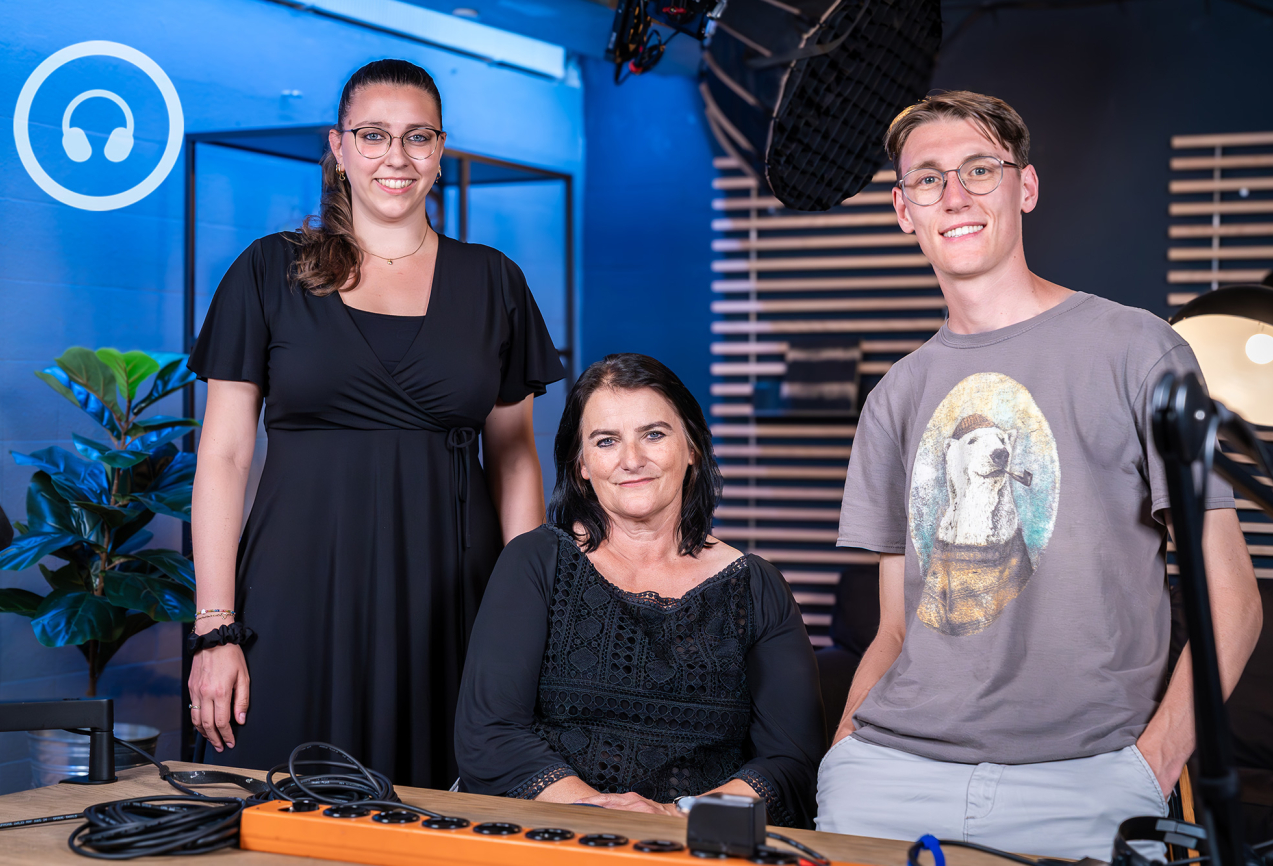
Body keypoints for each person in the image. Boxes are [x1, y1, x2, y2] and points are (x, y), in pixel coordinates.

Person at [814, 91, 1262, 857]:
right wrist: (845, 749)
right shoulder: (895, 397)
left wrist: (1151, 766)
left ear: (1025, 187)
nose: (954, 195)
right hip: (886, 779)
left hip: (1088, 784)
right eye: (928, 179)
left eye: (979, 169)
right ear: (902, 209)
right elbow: (894, 624)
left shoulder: (1138, 351)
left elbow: (1234, 602)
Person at [185, 59, 564, 788]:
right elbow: (226, 457)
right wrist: (215, 628)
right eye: (374, 135)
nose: (398, 157)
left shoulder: (494, 281)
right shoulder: (269, 271)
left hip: (452, 591)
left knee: (436, 814)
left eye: (418, 137)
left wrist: (527, 618)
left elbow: (516, 459)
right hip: (296, 584)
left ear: (440, 147)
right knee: (267, 807)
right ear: (338, 146)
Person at [455, 354, 826, 828]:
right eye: (606, 441)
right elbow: (490, 735)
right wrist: (601, 817)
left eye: (654, 434)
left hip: (699, 845)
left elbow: (789, 763)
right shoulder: (534, 562)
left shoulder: (757, 586)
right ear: (582, 464)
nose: (632, 460)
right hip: (556, 834)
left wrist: (674, 816)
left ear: (692, 447)